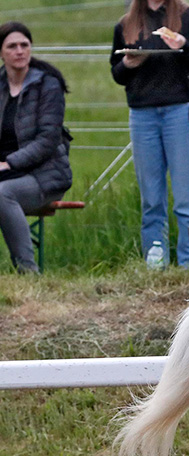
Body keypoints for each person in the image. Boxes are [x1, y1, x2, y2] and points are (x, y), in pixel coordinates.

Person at [110, 0, 189, 270]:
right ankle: (155, 263)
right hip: (142, 114)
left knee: (186, 196)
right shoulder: (125, 24)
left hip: (179, 110)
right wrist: (128, 62)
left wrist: (184, 46)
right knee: (151, 198)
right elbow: (117, 73)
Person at [0, 22, 71, 274]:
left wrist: (10, 163)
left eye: (24, 45)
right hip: (5, 172)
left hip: (45, 175)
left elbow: (48, 140)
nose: (19, 51)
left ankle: (28, 272)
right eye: (12, 46)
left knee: (2, 193)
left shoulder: (48, 85)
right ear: (1, 52)